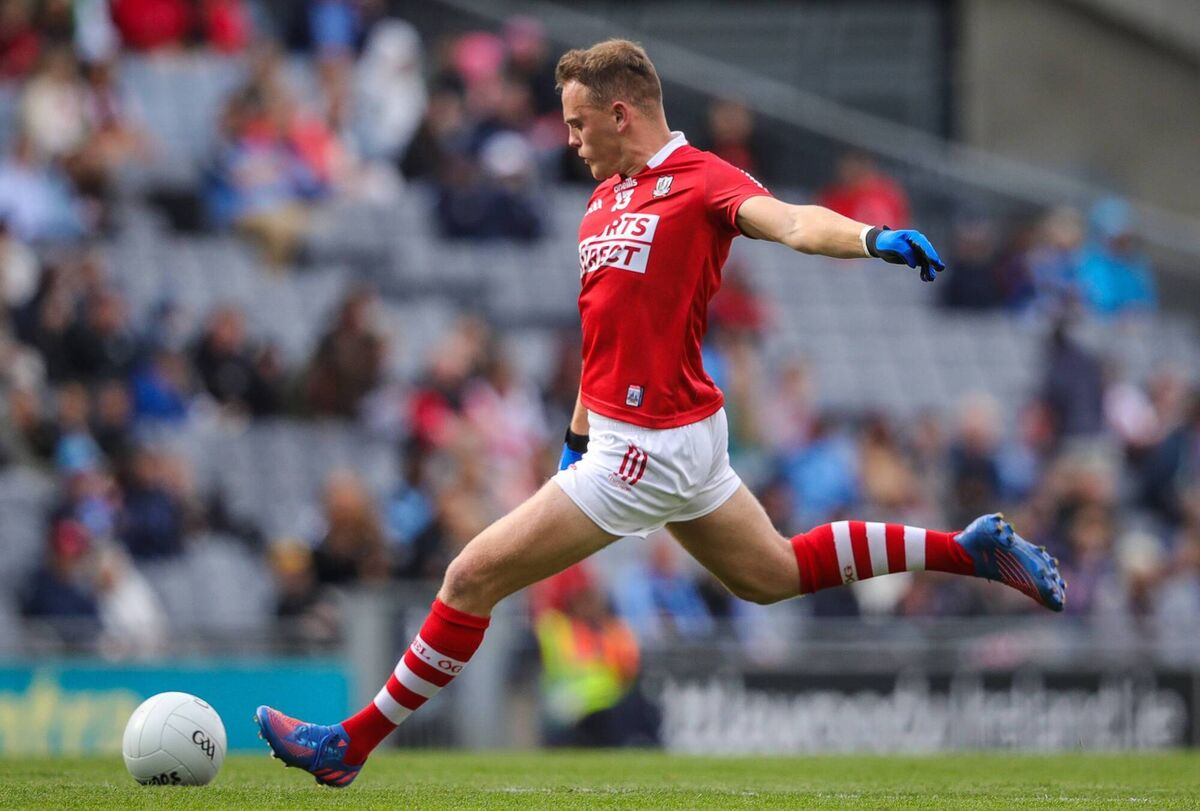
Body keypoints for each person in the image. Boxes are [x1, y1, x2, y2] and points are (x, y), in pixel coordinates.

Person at [256, 39, 1066, 787]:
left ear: (621, 113)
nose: (569, 140)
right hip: (656, 437)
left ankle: (349, 744)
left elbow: (790, 221)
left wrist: (870, 237)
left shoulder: (702, 179)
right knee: (772, 574)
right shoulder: (601, 204)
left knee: (470, 577)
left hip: (650, 447)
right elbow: (600, 340)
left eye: (579, 124)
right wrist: (574, 442)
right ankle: (968, 551)